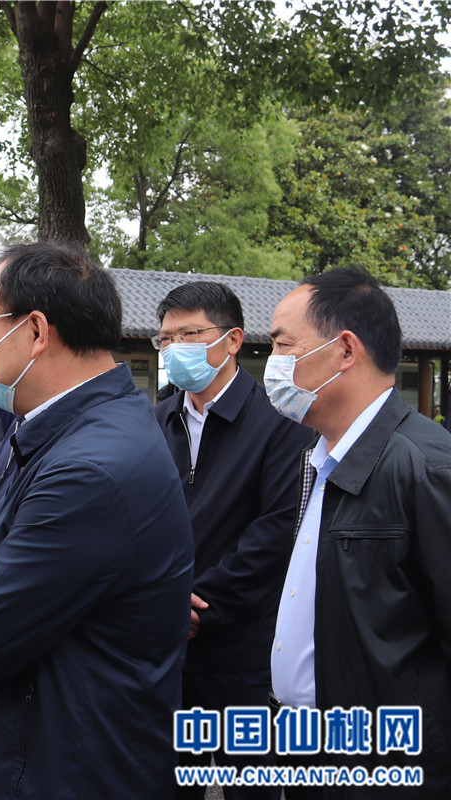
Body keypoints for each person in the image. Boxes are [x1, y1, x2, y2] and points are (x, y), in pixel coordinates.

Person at [0, 242, 193, 799]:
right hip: (38, 747)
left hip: (66, 768)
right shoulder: (43, 424)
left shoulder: (92, 468)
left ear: (35, 330)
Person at [267, 267, 451, 798]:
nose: (272, 363)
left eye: (283, 345)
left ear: (345, 350)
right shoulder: (320, 459)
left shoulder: (426, 469)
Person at [151, 281, 312, 800]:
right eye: (166, 338)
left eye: (190, 334)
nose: (175, 348)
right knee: (168, 781)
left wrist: (201, 604)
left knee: (251, 783)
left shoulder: (279, 419)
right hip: (164, 644)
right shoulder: (157, 420)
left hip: (244, 649)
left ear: (233, 339)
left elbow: (279, 527)